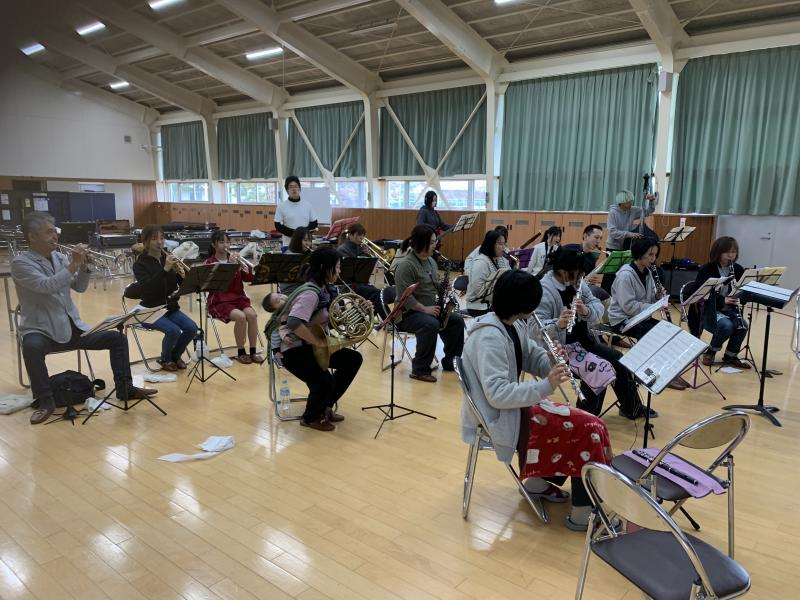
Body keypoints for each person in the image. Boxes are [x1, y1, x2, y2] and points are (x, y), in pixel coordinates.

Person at [461, 270, 614, 531]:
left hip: (515, 407)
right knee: (588, 429)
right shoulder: (489, 337)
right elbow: (497, 395)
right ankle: (583, 513)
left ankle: (537, 481)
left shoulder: (513, 324)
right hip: (498, 417)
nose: (534, 310)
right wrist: (546, 385)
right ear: (521, 305)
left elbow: (532, 355)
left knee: (591, 423)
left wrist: (552, 360)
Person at [12, 212, 157, 425]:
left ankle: (125, 388)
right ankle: (45, 401)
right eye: (49, 232)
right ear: (32, 236)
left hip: (72, 326)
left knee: (117, 338)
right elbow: (46, 286)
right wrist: (73, 264)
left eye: (55, 231)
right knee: (31, 347)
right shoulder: (21, 263)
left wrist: (85, 268)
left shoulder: (59, 257)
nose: (55, 236)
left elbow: (79, 287)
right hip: (42, 329)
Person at [534, 246, 654, 419]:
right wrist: (558, 324)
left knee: (617, 359)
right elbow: (535, 329)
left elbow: (597, 305)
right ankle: (584, 418)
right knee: (598, 369)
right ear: (563, 272)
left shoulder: (577, 282)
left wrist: (586, 311)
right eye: (578, 273)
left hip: (582, 343)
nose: (581, 277)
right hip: (558, 350)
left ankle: (631, 407)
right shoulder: (544, 290)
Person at [275, 246, 363, 431]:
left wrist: (362, 310)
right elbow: (293, 322)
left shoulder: (326, 290)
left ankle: (325, 408)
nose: (339, 271)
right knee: (324, 381)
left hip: (312, 347)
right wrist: (317, 341)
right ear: (324, 268)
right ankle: (310, 418)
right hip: (294, 350)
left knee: (353, 359)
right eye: (337, 267)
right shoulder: (310, 294)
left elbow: (334, 322)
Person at [608, 239, 687, 390]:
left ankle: (667, 372)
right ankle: (649, 373)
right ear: (639, 253)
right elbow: (628, 306)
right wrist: (654, 306)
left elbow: (648, 299)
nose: (653, 258)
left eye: (655, 255)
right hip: (622, 320)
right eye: (650, 254)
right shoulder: (625, 276)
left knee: (668, 331)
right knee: (653, 336)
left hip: (640, 317)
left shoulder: (648, 272)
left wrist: (657, 297)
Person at [394, 224, 465, 382]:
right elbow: (406, 298)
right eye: (432, 242)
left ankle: (450, 362)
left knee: (457, 321)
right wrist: (425, 309)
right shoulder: (406, 265)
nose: (436, 245)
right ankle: (420, 370)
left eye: (435, 241)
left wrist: (442, 286)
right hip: (407, 314)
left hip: (429, 309)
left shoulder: (431, 261)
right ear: (422, 243)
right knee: (430, 324)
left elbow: (431, 285)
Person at [132, 225, 198, 372]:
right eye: (154, 239)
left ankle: (175, 356)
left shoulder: (167, 258)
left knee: (191, 328)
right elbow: (148, 288)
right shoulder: (139, 264)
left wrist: (184, 275)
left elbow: (178, 284)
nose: (159, 242)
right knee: (173, 331)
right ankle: (165, 359)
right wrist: (165, 269)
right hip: (150, 310)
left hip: (170, 308)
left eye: (162, 238)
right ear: (146, 241)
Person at [205, 230, 264, 365]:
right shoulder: (210, 262)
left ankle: (253, 351)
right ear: (214, 245)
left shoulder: (235, 258)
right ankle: (241, 352)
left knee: (252, 315)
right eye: (222, 242)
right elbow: (215, 284)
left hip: (239, 298)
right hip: (219, 301)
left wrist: (245, 267)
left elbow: (249, 278)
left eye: (227, 242)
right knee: (241, 317)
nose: (225, 245)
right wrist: (230, 266)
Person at [695, 236, 750, 369]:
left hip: (729, 309)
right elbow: (701, 294)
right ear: (718, 252)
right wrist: (722, 299)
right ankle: (711, 351)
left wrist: (741, 296)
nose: (731, 255)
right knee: (727, 326)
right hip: (710, 310)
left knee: (742, 325)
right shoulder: (707, 269)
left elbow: (744, 292)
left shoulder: (738, 269)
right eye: (727, 252)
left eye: (734, 252)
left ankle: (731, 355)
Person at [336, 222, 396, 320]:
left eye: (363, 235)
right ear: (351, 235)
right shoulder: (343, 249)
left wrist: (368, 255)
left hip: (361, 283)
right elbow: (349, 270)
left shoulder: (360, 248)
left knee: (382, 291)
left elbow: (371, 270)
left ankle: (371, 319)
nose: (362, 238)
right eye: (359, 235)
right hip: (349, 285)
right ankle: (389, 321)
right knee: (377, 294)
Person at [604, 189, 657, 294]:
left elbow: (648, 211)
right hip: (613, 247)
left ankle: (621, 294)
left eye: (631, 201)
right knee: (611, 274)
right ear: (621, 203)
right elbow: (613, 232)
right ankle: (605, 295)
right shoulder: (613, 212)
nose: (631, 204)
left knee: (623, 273)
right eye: (628, 202)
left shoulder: (633, 210)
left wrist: (651, 201)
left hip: (626, 246)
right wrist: (630, 234)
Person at [465, 229, 511, 317]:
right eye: (500, 244)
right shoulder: (481, 262)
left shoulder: (501, 259)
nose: (504, 247)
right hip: (478, 306)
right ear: (491, 244)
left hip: (491, 303)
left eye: (504, 244)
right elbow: (478, 291)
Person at [274, 176, 317, 250]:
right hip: (288, 245)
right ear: (287, 190)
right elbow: (278, 225)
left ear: (300, 189)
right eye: (291, 187)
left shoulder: (308, 205)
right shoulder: (281, 206)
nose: (294, 189)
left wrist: (302, 234)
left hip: (305, 245)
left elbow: (314, 223)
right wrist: (295, 234)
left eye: (296, 186)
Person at [280, 227, 313, 295]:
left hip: (302, 288)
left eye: (310, 240)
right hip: (290, 290)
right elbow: (301, 278)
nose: (308, 243)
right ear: (297, 240)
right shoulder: (290, 256)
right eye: (305, 240)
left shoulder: (306, 254)